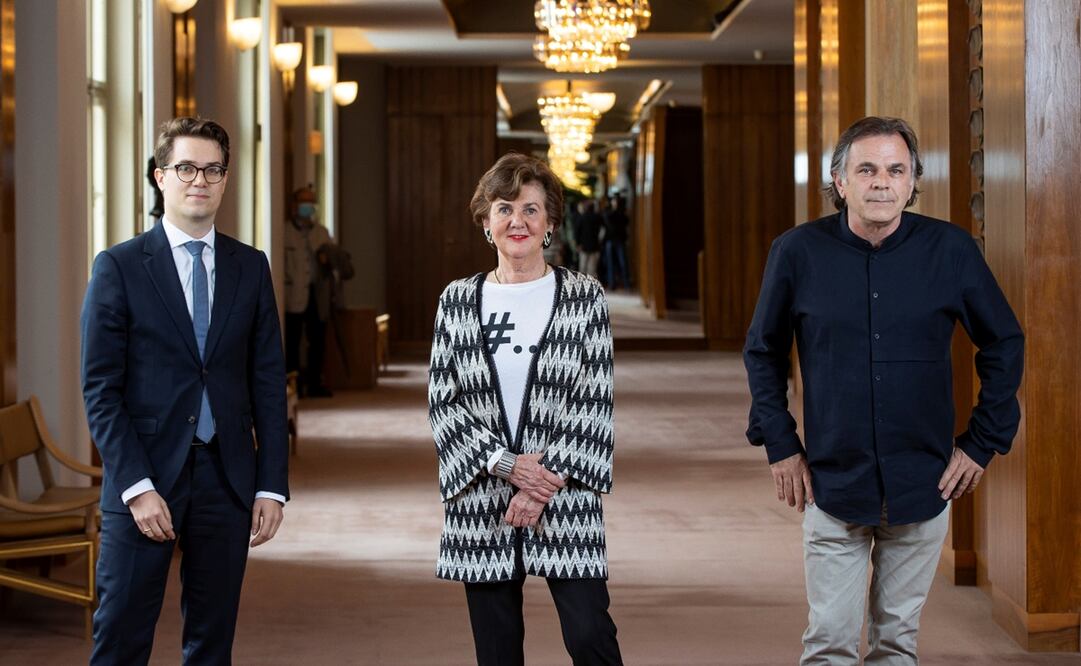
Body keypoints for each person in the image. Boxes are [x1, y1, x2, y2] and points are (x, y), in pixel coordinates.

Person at [743, 116, 1023, 665]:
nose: (882, 182)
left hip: (923, 481)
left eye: (896, 170)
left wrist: (982, 441)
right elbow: (763, 351)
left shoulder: (952, 250)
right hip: (832, 481)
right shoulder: (797, 252)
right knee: (828, 644)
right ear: (840, 180)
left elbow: (1005, 344)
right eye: (866, 169)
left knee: (897, 645)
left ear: (912, 181)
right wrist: (780, 444)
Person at [81, 117, 289, 665]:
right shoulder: (119, 267)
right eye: (186, 168)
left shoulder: (251, 266)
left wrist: (271, 485)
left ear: (224, 179)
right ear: (160, 177)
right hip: (144, 478)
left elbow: (267, 380)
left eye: (213, 169)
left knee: (211, 641)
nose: (200, 179)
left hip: (227, 478)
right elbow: (100, 390)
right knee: (121, 636)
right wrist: (135, 485)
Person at [429, 152, 622, 666]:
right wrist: (508, 465)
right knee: (496, 651)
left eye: (532, 209)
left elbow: (593, 398)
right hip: (482, 492)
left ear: (551, 223)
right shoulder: (456, 301)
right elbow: (443, 403)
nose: (518, 221)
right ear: (486, 222)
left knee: (590, 637)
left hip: (565, 491)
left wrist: (540, 482)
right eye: (504, 208)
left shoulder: (584, 298)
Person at [283, 185, 347, 397]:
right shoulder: (285, 232)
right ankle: (293, 386)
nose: (308, 207)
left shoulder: (321, 232)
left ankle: (314, 384)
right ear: (295, 206)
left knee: (317, 341)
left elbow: (335, 262)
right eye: (304, 202)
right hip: (293, 294)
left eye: (311, 203)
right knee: (292, 341)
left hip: (317, 294)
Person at [602, 195, 630, 290]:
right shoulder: (608, 211)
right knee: (610, 263)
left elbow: (626, 221)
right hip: (610, 240)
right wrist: (614, 210)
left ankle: (626, 283)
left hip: (620, 240)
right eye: (613, 201)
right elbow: (607, 220)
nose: (615, 203)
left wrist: (618, 211)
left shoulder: (621, 212)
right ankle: (612, 284)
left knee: (623, 262)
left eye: (616, 201)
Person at [575, 199, 603, 279]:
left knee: (583, 267)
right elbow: (602, 230)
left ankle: (582, 285)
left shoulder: (582, 218)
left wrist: (578, 244)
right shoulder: (597, 217)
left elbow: (577, 231)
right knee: (592, 268)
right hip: (594, 246)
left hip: (583, 246)